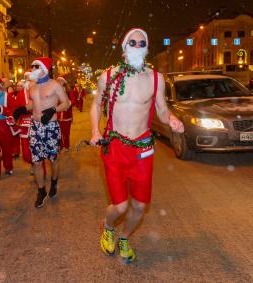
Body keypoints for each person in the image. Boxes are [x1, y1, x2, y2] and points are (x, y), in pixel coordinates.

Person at [90, 28, 184, 263]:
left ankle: (124, 238)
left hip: (142, 149)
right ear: (124, 47)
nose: (137, 45)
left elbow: (161, 109)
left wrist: (171, 119)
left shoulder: (155, 79)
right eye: (132, 42)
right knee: (120, 206)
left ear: (146, 48)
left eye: (141, 43)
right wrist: (94, 130)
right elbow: (96, 105)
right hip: (114, 146)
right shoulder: (108, 76)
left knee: (140, 206)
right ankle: (108, 227)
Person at [13, 58, 70, 208]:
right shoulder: (32, 86)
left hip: (51, 127)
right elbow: (34, 103)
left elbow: (66, 103)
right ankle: (41, 191)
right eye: (31, 67)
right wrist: (23, 109)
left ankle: (54, 183)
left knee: (53, 159)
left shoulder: (55, 85)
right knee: (37, 161)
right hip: (35, 126)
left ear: (44, 68)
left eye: (35, 66)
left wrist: (53, 109)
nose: (32, 69)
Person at [56, 76, 73, 152]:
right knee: (58, 132)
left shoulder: (69, 91)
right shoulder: (55, 91)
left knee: (66, 132)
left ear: (64, 82)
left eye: (61, 80)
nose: (59, 81)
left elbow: (73, 100)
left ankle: (66, 145)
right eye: (58, 80)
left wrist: (68, 104)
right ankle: (60, 146)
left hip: (67, 115)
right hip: (58, 115)